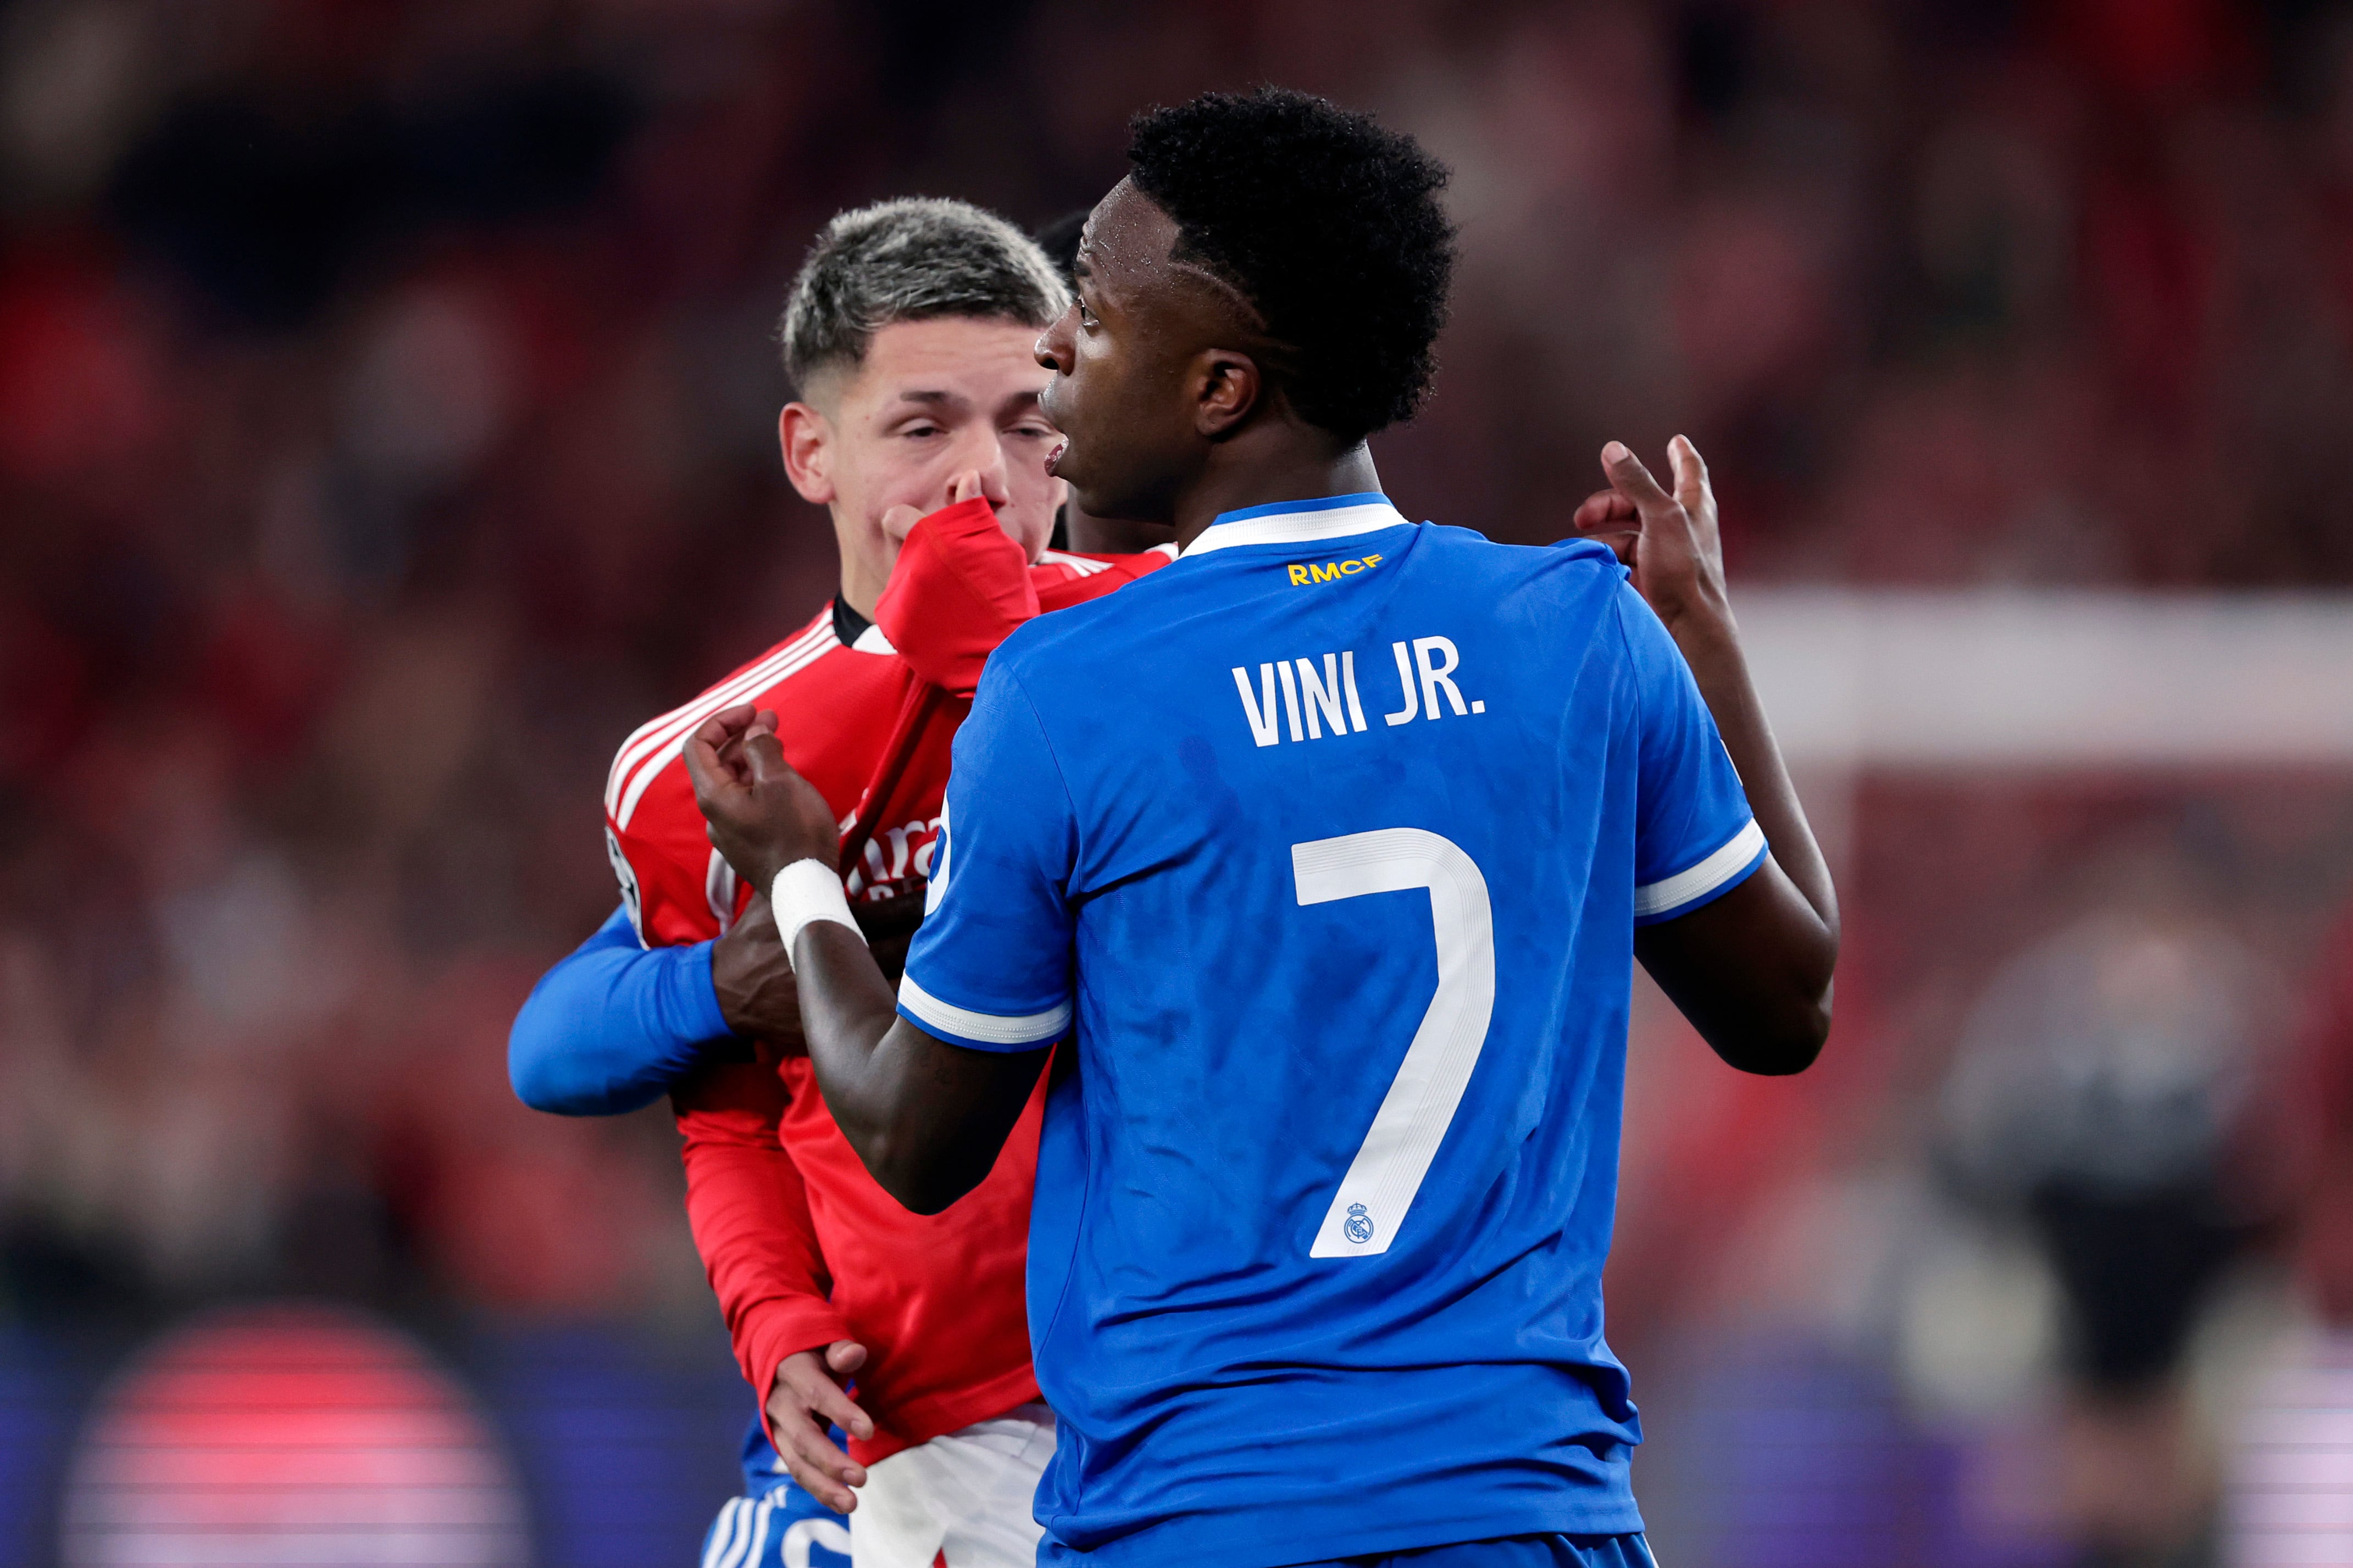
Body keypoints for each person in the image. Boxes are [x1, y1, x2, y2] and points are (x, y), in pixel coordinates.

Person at [686, 88, 1838, 1568]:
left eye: (1092, 323)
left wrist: (796, 875)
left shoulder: (1067, 689)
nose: (1053, 353)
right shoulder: (1580, 633)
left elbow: (914, 1134)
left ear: (1220, 388)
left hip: (1201, 1516)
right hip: (1521, 1513)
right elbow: (1788, 1002)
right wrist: (1706, 638)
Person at [507, 197, 1174, 1568]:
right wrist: (773, 1326)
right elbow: (725, 1115)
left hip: (1180, 1411)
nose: (985, 476)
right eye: (922, 428)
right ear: (811, 452)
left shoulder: (1179, 647)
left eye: (1028, 420)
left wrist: (981, 647)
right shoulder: (714, 765)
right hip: (907, 1440)